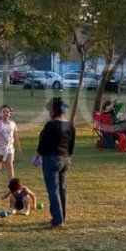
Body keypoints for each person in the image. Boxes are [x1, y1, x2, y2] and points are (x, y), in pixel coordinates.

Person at [33, 97, 76, 229]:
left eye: (49, 110)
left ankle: (58, 221)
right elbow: (71, 144)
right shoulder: (70, 125)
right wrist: (68, 157)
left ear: (53, 110)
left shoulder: (50, 125)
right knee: (62, 189)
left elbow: (43, 142)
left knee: (53, 190)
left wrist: (36, 157)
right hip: (65, 160)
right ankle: (62, 217)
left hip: (51, 159)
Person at [0, 105, 21, 189]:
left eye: (7, 112)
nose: (5, 113)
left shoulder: (13, 124)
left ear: (10, 114)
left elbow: (15, 135)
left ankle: (12, 186)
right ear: (0, 113)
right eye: (3, 111)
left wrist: (18, 146)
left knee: (10, 165)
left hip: (9, 147)